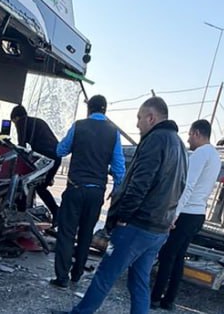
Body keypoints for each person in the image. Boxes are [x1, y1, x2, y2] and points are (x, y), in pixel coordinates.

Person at [58, 96, 187, 314]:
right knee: (138, 281)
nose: (137, 124)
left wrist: (122, 217)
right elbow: (181, 185)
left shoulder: (155, 141)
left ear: (151, 117)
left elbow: (139, 184)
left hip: (137, 225)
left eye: (139, 118)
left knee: (105, 275)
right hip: (158, 229)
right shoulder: (179, 145)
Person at [50, 94, 127, 288]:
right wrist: (116, 189)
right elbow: (119, 167)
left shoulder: (79, 126)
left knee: (67, 232)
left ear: (89, 109)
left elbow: (60, 150)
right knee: (86, 233)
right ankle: (77, 274)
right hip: (96, 192)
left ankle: (62, 277)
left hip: (75, 188)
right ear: (105, 110)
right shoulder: (113, 133)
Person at [150, 119, 221, 310]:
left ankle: (156, 297)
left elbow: (188, 185)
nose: (188, 139)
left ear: (197, 133)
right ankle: (169, 299)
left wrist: (175, 213)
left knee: (167, 255)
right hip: (198, 214)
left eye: (190, 134)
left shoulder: (201, 154)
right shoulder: (215, 156)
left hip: (187, 213)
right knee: (179, 257)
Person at [10, 104, 61, 221]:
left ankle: (22, 213)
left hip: (47, 157)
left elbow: (21, 147)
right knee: (40, 186)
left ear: (16, 118)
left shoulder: (22, 122)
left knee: (26, 183)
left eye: (14, 122)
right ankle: (55, 212)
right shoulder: (37, 121)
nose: (15, 125)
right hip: (55, 157)